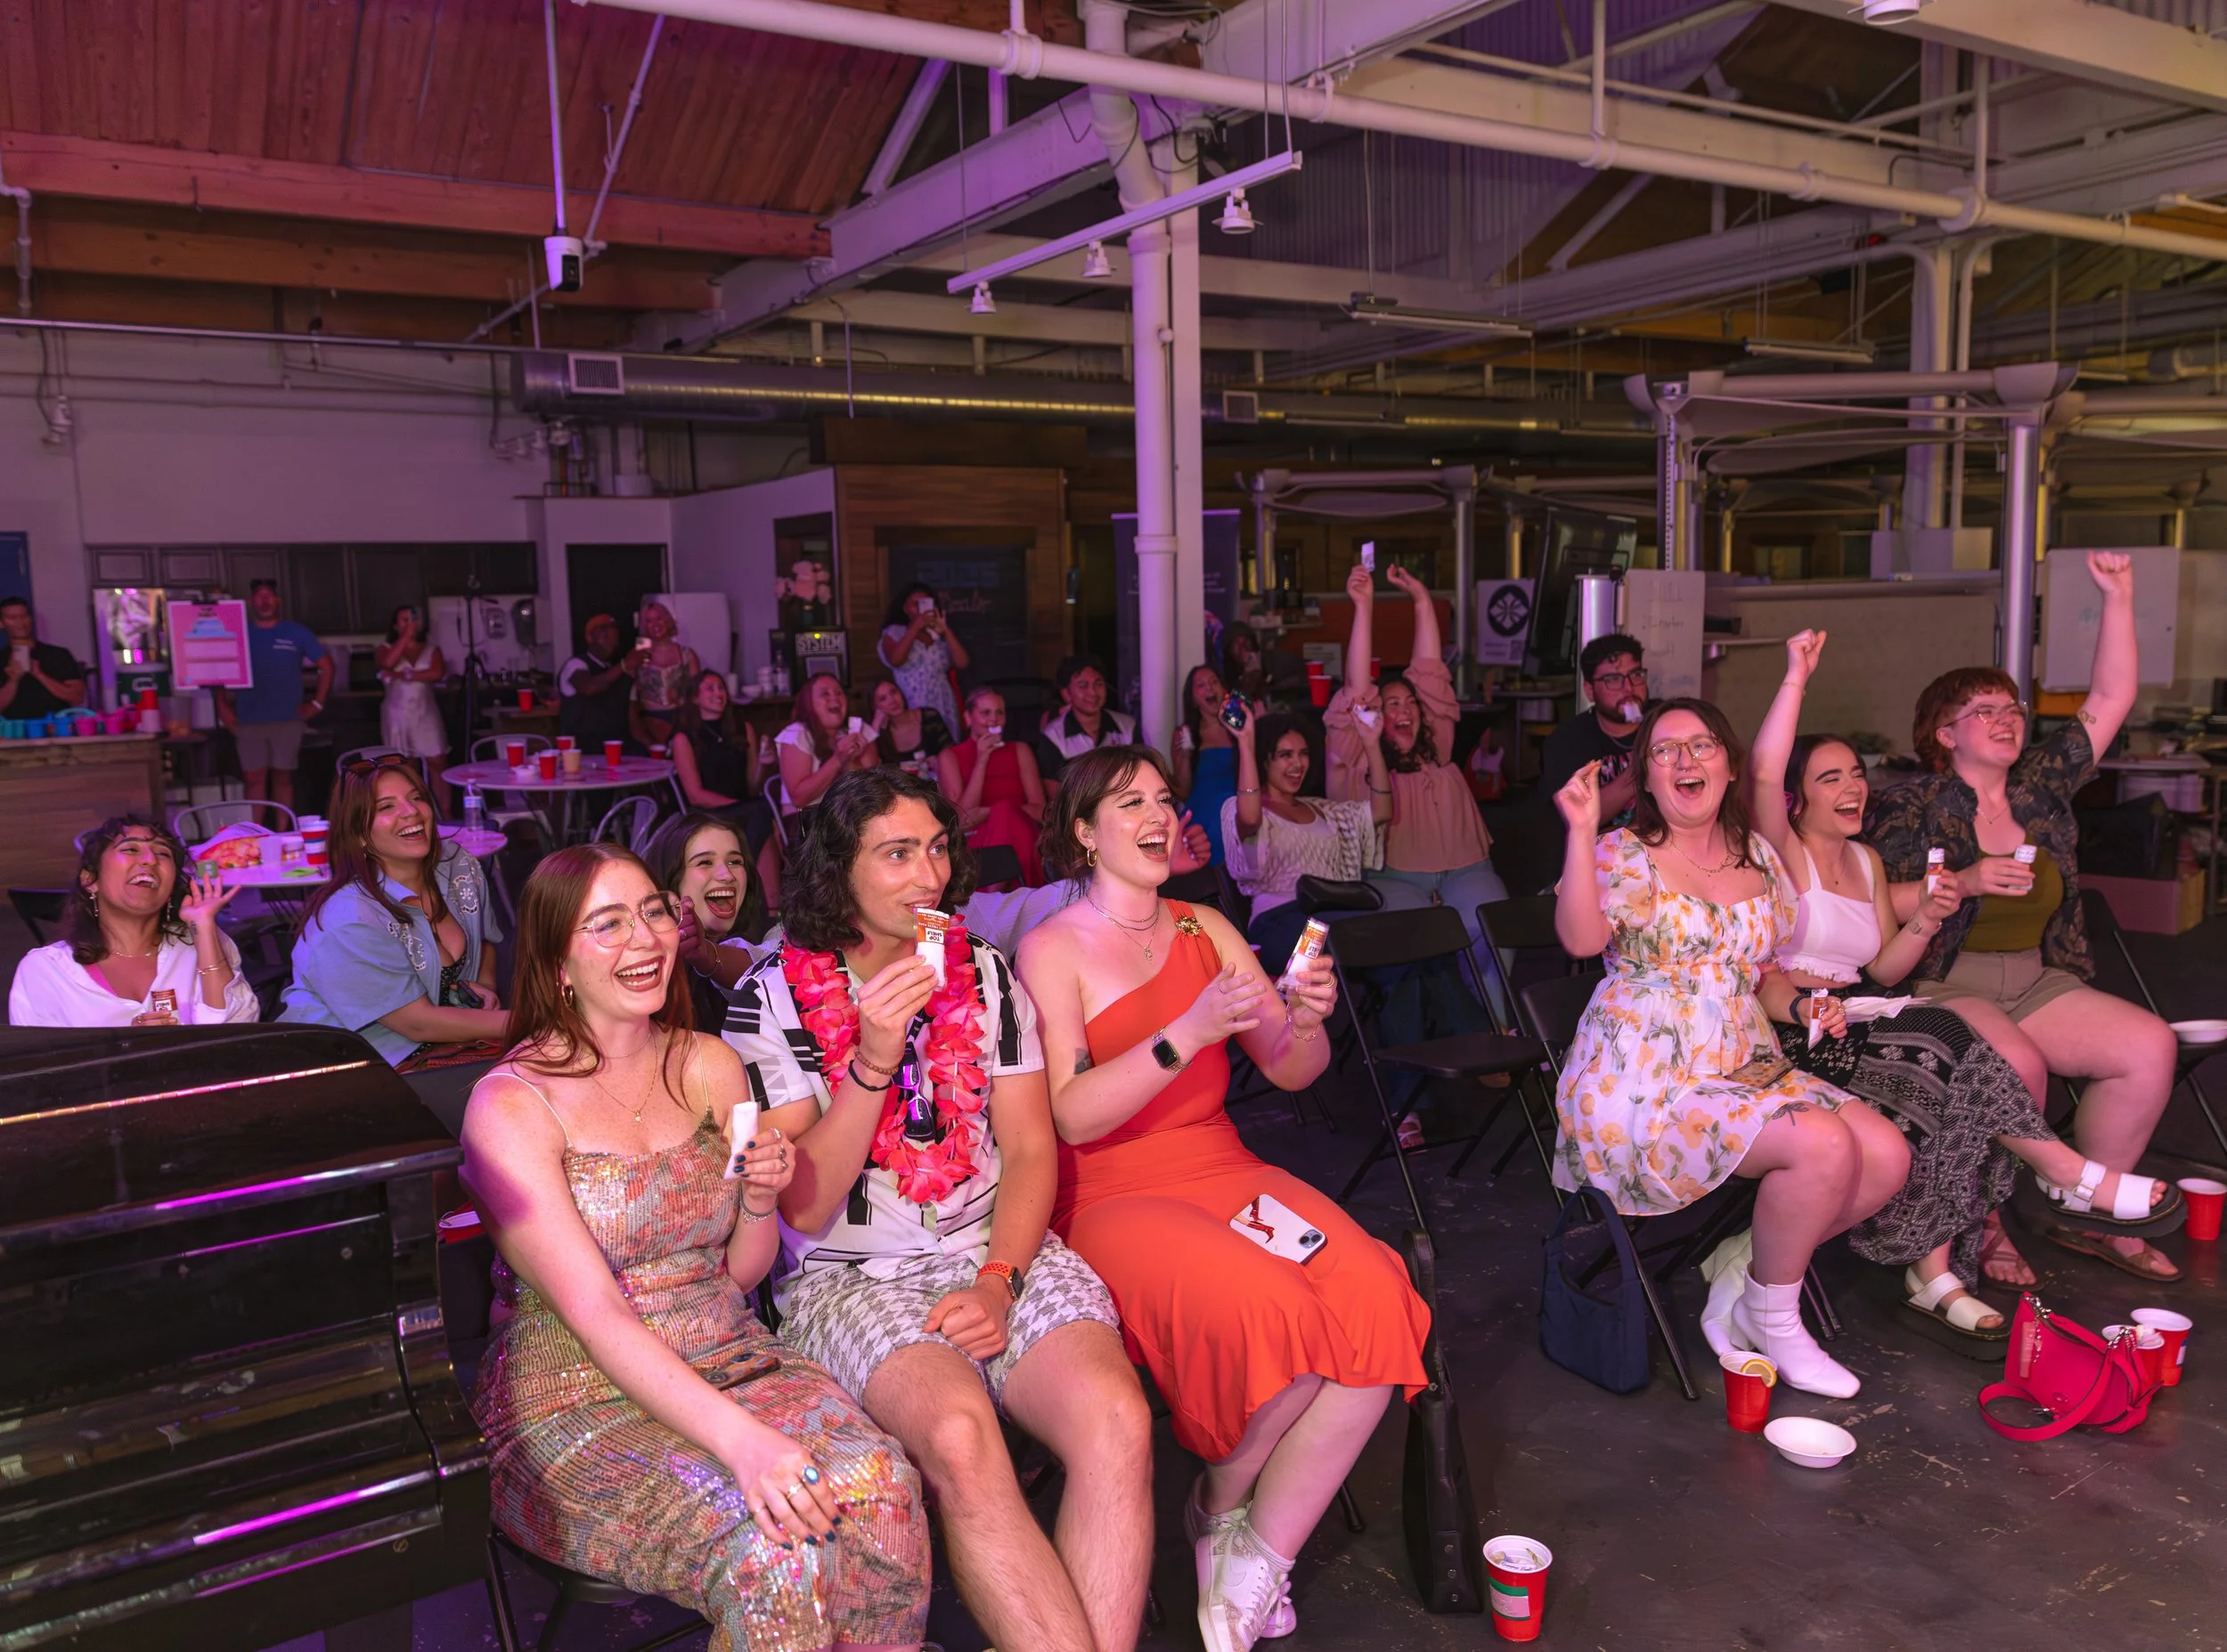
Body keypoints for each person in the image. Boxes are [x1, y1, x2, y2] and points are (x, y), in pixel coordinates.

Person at [461, 843, 930, 1651]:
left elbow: (739, 1274)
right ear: (556, 960)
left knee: (883, 1489)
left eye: (651, 911)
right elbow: (595, 1312)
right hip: (578, 1400)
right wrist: (746, 1444)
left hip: (732, 1354)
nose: (643, 940)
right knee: (780, 1545)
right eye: (606, 924)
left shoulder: (709, 1063)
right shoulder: (511, 1104)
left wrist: (756, 1198)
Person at [725, 769, 1151, 1652]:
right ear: (837, 871)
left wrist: (1000, 1281)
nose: (928, 875)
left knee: (1118, 1419)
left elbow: (1032, 1149)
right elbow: (802, 1201)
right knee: (958, 1437)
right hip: (847, 1278)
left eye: (937, 847)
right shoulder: (769, 996)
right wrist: (872, 1062)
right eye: (896, 853)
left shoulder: (983, 974)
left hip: (995, 1246)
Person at [1017, 745, 1430, 1652]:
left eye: (1163, 798)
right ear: (1083, 832)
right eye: (1130, 803)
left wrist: (1309, 1017)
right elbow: (1070, 1116)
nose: (1159, 814)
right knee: (1273, 1312)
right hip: (1109, 1192)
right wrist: (1183, 1033)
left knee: (1374, 1288)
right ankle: (1216, 1501)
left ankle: (1247, 1548)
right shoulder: (1050, 949)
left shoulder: (1205, 925)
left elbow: (1289, 1067)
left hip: (1219, 1165)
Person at [1550, 699, 1912, 1398]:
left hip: (1740, 1063)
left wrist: (1804, 1004)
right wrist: (1582, 828)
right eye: (1666, 750)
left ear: (1729, 763)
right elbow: (1581, 941)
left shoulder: (1761, 859)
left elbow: (1764, 976)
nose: (1686, 760)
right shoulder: (1620, 853)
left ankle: (1749, 1286)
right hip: (1644, 1081)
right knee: (1824, 1145)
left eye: (1703, 745)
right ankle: (1776, 1318)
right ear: (1646, 776)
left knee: (1888, 1156)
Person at [1740, 629, 2081, 1340]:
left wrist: (1925, 915)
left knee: (1954, 1064)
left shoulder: (1864, 863)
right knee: (1948, 1038)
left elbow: (1889, 970)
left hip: (1859, 1012)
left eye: (1856, 774)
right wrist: (1796, 675)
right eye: (1830, 776)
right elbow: (1764, 772)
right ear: (1800, 797)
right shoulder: (1782, 852)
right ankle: (2053, 1172)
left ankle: (1935, 1267)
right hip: (1797, 1026)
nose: (1853, 786)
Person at [1867, 551, 2183, 1284]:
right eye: (1984, 711)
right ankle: (1985, 1228)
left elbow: (2111, 694)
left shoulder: (2041, 786)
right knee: (2018, 1065)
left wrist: (2120, 594)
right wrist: (1968, 879)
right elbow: (1878, 903)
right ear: (1944, 734)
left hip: (2035, 978)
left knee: (2147, 1045)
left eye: (2012, 708)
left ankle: (2091, 1210)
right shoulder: (1909, 803)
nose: (2006, 720)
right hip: (1944, 982)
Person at [1325, 560, 1506, 989]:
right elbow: (1355, 689)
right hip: (1395, 879)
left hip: (1468, 872)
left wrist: (1422, 600)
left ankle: (1496, 1024)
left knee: (1496, 927)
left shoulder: (1438, 747)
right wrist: (1363, 606)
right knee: (1419, 941)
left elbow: (1428, 668)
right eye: (1391, 704)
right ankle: (1440, 1024)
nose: (1404, 709)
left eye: (1410, 703)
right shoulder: (1362, 758)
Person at [281, 755, 508, 1066]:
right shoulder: (349, 918)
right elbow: (418, 1024)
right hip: (355, 1070)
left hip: (449, 1048)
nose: (411, 811)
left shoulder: (457, 864)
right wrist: (535, 1021)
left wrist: (485, 988)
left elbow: (483, 939)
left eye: (416, 798)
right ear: (359, 834)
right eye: (386, 807)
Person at [9, 814, 257, 1027]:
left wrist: (203, 925)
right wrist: (126, 1046)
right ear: (90, 880)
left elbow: (236, 1034)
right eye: (130, 849)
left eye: (163, 853)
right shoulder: (46, 971)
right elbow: (44, 1072)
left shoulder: (204, 943)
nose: (150, 860)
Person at [1224, 707, 1387, 972]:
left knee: (1406, 949)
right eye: (1285, 755)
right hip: (1278, 923)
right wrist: (1246, 742)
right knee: (1356, 946)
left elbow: (1380, 813)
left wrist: (1371, 744)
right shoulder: (1241, 809)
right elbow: (1251, 819)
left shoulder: (1323, 810)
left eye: (1303, 754)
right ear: (1263, 761)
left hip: (1335, 914)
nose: (1298, 764)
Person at [645, 810, 773, 1035]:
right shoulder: (647, 965)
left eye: (735, 861)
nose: (727, 875)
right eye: (705, 862)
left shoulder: (776, 936)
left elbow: (761, 968)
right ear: (671, 879)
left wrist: (705, 953)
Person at [218, 579, 331, 809]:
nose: (265, 600)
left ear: (277, 600)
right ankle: (258, 836)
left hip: (288, 718)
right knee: (253, 779)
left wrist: (317, 703)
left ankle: (283, 833)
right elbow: (218, 670)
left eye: (269, 595)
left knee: (283, 777)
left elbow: (326, 666)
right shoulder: (238, 633)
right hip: (248, 718)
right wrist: (223, 708)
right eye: (259, 596)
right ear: (251, 602)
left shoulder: (296, 632)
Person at [1538, 632, 1651, 840]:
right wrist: (1641, 767)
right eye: (1613, 679)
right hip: (1598, 859)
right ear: (1590, 690)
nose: (1628, 688)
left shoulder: (1666, 722)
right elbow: (1576, 817)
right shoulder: (1567, 741)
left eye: (1635, 675)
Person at [937, 687, 1046, 886]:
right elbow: (962, 820)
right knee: (1004, 817)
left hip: (1023, 831)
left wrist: (996, 812)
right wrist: (982, 760)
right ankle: (1020, 894)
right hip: (979, 840)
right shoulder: (950, 756)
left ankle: (993, 896)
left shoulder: (1020, 750)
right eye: (985, 713)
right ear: (968, 718)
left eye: (999, 712)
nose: (994, 719)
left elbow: (1040, 811)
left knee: (1005, 814)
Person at [672, 669, 772, 848]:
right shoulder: (684, 738)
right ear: (695, 698)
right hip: (709, 813)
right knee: (761, 812)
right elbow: (696, 796)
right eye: (710, 688)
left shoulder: (744, 729)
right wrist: (741, 806)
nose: (718, 693)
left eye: (721, 688)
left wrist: (763, 766)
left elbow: (752, 786)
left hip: (747, 809)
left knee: (763, 810)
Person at [374, 605, 451, 814]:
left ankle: (446, 814)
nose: (409, 624)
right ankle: (413, 812)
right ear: (395, 625)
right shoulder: (386, 648)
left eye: (412, 619)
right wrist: (405, 638)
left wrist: (403, 676)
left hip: (425, 712)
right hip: (397, 714)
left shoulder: (431, 649)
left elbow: (436, 673)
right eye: (403, 620)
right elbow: (388, 663)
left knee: (437, 762)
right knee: (405, 767)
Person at [778, 674, 878, 817]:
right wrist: (838, 759)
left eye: (839, 693)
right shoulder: (794, 734)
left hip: (852, 817)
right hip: (806, 821)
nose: (834, 698)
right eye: (825, 694)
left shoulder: (860, 730)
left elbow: (871, 792)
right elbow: (799, 799)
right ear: (809, 703)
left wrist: (851, 760)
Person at [877, 583, 968, 733]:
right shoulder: (896, 632)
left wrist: (946, 631)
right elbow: (896, 660)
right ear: (905, 608)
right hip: (913, 702)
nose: (921, 608)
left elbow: (962, 663)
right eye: (915, 604)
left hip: (943, 703)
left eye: (925, 603)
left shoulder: (937, 634)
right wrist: (915, 627)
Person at [1172, 666, 1240, 868]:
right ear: (1193, 698)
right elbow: (1182, 792)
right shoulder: (1186, 734)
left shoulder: (1240, 727)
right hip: (1204, 814)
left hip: (1239, 808)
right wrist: (1184, 757)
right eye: (1200, 685)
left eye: (1213, 682)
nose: (1209, 688)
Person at [1034, 655, 1135, 780]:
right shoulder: (1053, 737)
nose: (1093, 692)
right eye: (1083, 685)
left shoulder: (1128, 727)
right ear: (1066, 694)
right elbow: (1055, 794)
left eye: (1098, 684)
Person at [0, 595, 87, 720]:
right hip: (14, 734)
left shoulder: (58, 655)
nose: (20, 622)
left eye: (24, 616)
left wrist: (39, 674)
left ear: (30, 619)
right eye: (12, 618)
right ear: (2, 623)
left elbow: (77, 698)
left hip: (56, 731)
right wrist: (13, 680)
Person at [558, 613, 637, 752]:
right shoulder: (576, 664)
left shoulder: (615, 670)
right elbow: (588, 688)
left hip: (618, 748)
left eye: (613, 627)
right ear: (589, 637)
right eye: (604, 628)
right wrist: (625, 665)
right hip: (584, 751)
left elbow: (631, 716)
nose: (610, 632)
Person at [630, 600, 701, 748]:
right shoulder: (639, 652)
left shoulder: (687, 654)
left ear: (668, 621)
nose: (655, 624)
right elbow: (630, 693)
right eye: (649, 620)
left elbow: (696, 693)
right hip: (649, 722)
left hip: (681, 719)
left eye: (659, 618)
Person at [870, 680, 951, 770]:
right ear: (875, 708)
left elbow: (952, 752)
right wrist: (875, 727)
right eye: (883, 699)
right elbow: (873, 771)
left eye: (893, 692)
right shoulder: (880, 735)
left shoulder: (929, 717)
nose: (892, 701)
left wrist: (939, 761)